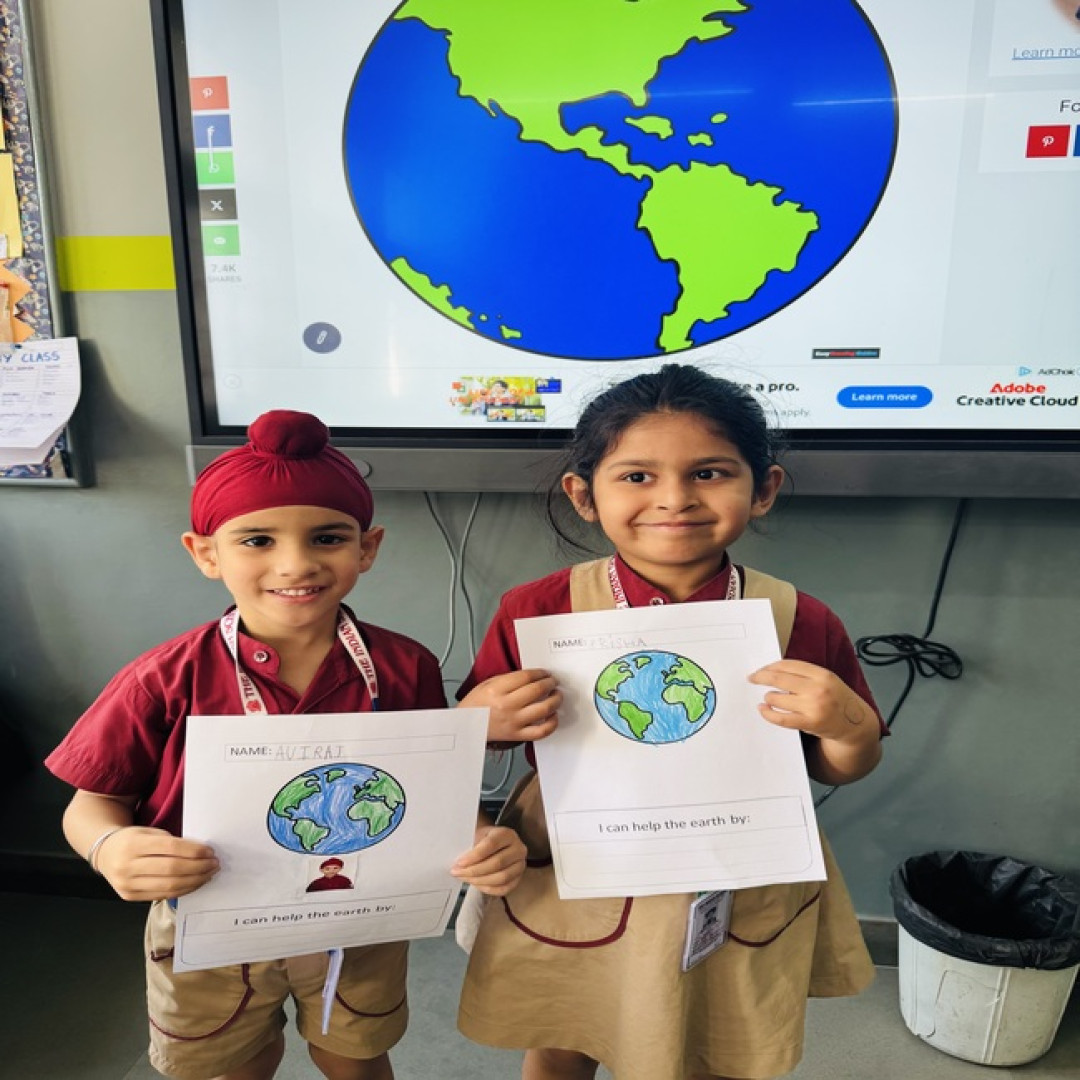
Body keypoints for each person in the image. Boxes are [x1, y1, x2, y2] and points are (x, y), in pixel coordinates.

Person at [45, 409, 527, 1080]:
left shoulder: (405, 666)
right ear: (205, 553)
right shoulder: (162, 679)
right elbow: (91, 804)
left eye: (328, 537)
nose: (296, 563)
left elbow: (426, 792)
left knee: (357, 1055)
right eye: (257, 540)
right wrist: (110, 847)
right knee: (237, 1063)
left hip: (359, 916)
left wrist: (477, 836)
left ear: (368, 548)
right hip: (210, 921)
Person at [459, 364, 886, 1080]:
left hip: (733, 868)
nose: (674, 499)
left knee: (714, 1034)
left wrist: (848, 727)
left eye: (709, 473)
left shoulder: (799, 617)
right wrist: (482, 716)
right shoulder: (536, 609)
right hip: (578, 861)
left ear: (764, 489)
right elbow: (471, 740)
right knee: (565, 1030)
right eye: (636, 476)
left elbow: (835, 765)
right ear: (583, 495)